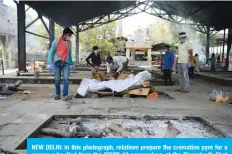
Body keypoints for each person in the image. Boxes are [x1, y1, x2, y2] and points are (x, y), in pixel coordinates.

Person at [48, 27, 74, 101]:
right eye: (69, 35)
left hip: (65, 63)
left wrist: (71, 63)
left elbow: (69, 53)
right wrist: (50, 63)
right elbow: (51, 52)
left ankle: (65, 95)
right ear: (65, 34)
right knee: (57, 80)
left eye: (70, 36)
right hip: (57, 63)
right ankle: (57, 94)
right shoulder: (56, 41)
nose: (70, 37)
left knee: (66, 79)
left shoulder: (69, 42)